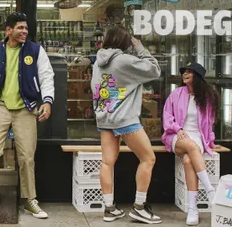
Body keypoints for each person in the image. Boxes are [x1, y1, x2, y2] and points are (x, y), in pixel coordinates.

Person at [0, 12, 54, 219]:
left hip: (26, 108)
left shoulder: (35, 51)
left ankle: (30, 199)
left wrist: (47, 101)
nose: (25, 32)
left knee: (26, 156)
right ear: (8, 30)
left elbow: (47, 76)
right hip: (0, 106)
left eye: (26, 28)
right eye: (20, 28)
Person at [91, 26, 162, 224]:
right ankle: (139, 207)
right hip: (125, 119)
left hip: (105, 116)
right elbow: (154, 70)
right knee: (148, 159)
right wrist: (140, 48)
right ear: (125, 42)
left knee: (107, 162)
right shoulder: (124, 60)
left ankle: (109, 208)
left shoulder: (99, 61)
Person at [161, 62, 220, 225]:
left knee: (188, 160)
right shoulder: (176, 93)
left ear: (198, 76)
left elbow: (210, 122)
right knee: (191, 147)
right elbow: (167, 116)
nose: (185, 74)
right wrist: (177, 128)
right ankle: (210, 190)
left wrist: (210, 140)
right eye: (184, 72)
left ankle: (193, 209)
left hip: (197, 137)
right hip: (176, 135)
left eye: (189, 72)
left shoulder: (207, 97)